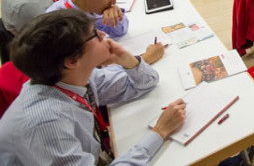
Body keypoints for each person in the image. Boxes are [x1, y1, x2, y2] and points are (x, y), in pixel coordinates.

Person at [0, 9, 186, 165]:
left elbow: (146, 83)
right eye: (95, 34)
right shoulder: (46, 123)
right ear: (72, 60)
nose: (104, 35)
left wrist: (126, 58)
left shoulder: (73, 78)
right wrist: (159, 132)